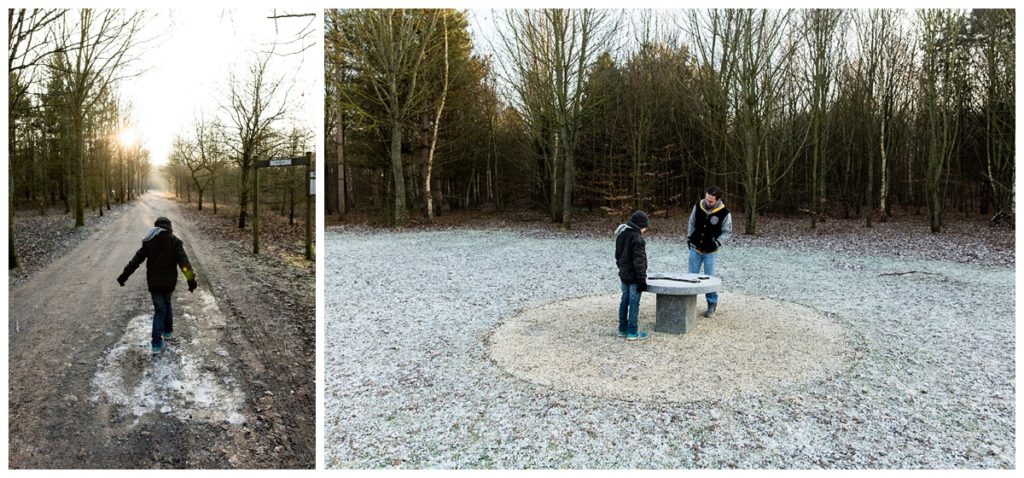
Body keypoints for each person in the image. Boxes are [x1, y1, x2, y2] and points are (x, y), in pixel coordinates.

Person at [117, 217, 198, 354]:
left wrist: (124, 275)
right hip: (169, 282)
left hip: (154, 283)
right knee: (167, 304)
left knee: (160, 310)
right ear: (169, 227)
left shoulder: (150, 241)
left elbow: (136, 261)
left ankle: (156, 343)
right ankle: (167, 332)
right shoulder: (174, 241)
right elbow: (184, 264)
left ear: (157, 228)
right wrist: (191, 280)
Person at [686, 186, 732, 318]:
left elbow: (727, 232)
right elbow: (691, 222)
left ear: (717, 200)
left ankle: (712, 303)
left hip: (711, 251)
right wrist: (689, 238)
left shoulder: (724, 213)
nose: (707, 202)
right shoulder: (698, 206)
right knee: (690, 277)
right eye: (706, 199)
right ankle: (689, 305)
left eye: (711, 201)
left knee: (710, 278)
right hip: (695, 247)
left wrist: (717, 242)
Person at [615, 210, 650, 341]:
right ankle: (632, 332)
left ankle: (622, 329)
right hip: (634, 277)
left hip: (624, 275)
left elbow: (617, 256)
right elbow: (639, 262)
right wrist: (642, 281)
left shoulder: (621, 234)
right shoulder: (637, 238)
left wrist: (622, 270)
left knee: (624, 300)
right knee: (634, 303)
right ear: (641, 226)